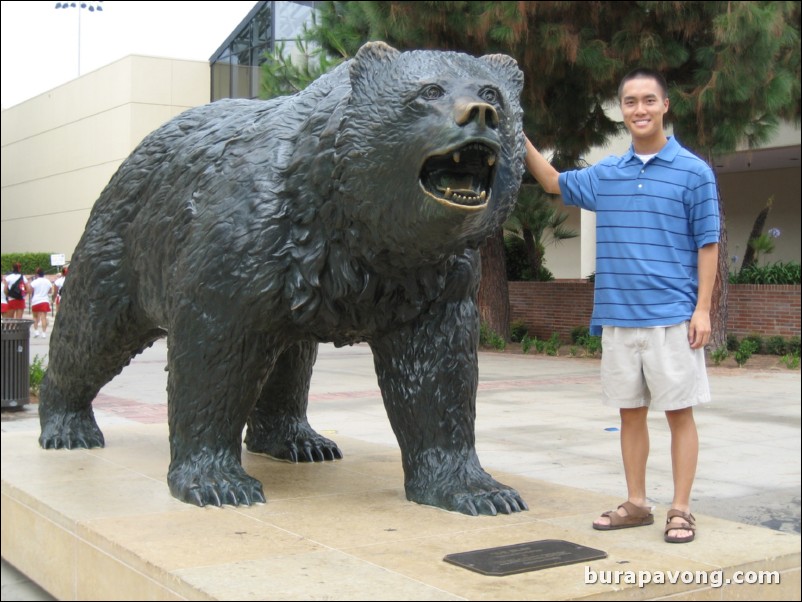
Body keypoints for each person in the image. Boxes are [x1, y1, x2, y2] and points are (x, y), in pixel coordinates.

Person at [524, 68, 720, 544]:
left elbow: (708, 244)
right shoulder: (607, 174)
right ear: (622, 109)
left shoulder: (694, 172)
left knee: (680, 413)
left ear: (665, 106)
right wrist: (516, 133)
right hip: (617, 318)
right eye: (630, 102)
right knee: (630, 413)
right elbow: (551, 181)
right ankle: (637, 503)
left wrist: (702, 310)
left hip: (672, 317)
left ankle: (681, 509)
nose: (640, 109)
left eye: (649, 100)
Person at [29, 267, 55, 337]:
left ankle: (36, 331)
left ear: (37, 274)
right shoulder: (47, 281)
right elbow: (50, 291)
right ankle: (44, 333)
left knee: (35, 317)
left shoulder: (34, 282)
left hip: (36, 300)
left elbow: (30, 290)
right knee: (44, 317)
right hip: (44, 300)